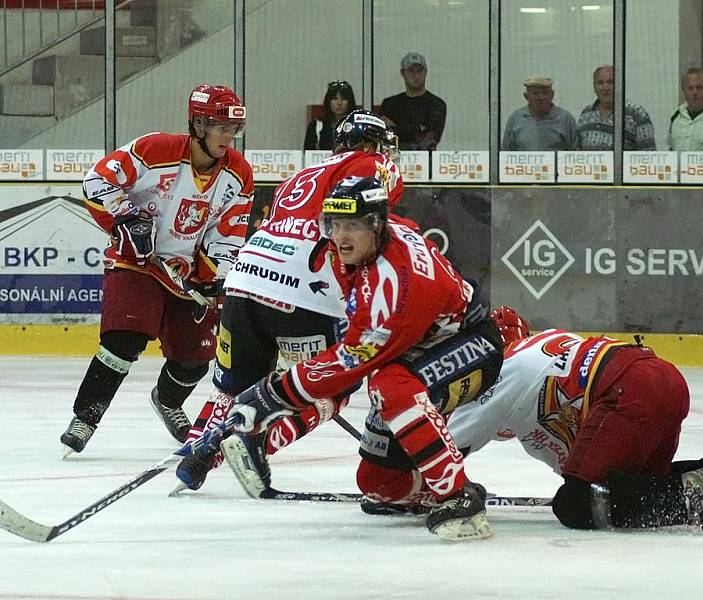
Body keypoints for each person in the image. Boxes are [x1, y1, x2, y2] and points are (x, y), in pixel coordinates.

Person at [218, 176, 505, 542]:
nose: (341, 236)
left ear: (376, 224)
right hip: (415, 348)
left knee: (389, 387)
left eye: (352, 225)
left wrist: (274, 395)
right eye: (335, 224)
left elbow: (351, 362)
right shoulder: (370, 245)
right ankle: (428, 490)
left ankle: (458, 495)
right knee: (378, 484)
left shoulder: (392, 284)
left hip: (470, 344)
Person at [171, 110, 403, 493]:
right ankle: (260, 441)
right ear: (373, 145)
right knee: (332, 386)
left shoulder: (300, 175)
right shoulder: (372, 163)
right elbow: (359, 227)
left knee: (233, 386)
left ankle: (195, 456)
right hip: (306, 295)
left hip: (245, 283)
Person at [445, 306, 703, 534]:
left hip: (627, 390)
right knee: (636, 485)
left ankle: (694, 494)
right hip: (662, 378)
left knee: (575, 505)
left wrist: (414, 488)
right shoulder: (547, 346)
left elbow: (445, 448)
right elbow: (605, 476)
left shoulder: (504, 370)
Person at [60, 84, 254, 456]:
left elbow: (228, 231)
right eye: (221, 127)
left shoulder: (239, 173)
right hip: (136, 262)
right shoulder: (155, 149)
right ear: (198, 124)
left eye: (233, 129)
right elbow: (96, 181)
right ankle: (85, 416)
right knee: (124, 341)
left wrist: (216, 274)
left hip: (186, 272)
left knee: (196, 357)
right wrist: (127, 217)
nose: (229, 137)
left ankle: (167, 400)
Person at [576, 65, 656, 151]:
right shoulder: (586, 113)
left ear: (619, 85)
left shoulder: (636, 113)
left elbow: (648, 154)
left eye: (610, 82)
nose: (605, 88)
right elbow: (578, 152)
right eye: (600, 83)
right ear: (594, 87)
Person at [379, 52, 446, 151]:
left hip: (426, 161)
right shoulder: (390, 104)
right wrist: (417, 129)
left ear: (425, 72)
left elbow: (429, 139)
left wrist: (396, 129)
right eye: (411, 71)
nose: (416, 75)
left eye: (419, 71)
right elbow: (384, 136)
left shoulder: (436, 104)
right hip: (394, 161)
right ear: (403, 73)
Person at [501, 77, 578, 152]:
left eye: (545, 93)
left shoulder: (565, 119)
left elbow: (576, 153)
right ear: (526, 96)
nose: (541, 98)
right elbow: (505, 154)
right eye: (535, 93)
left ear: (552, 95)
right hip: (523, 165)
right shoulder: (515, 119)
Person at [304, 81, 357, 151]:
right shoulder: (316, 126)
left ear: (350, 102)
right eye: (335, 99)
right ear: (328, 101)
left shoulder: (357, 126)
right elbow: (308, 154)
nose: (339, 103)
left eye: (343, 99)